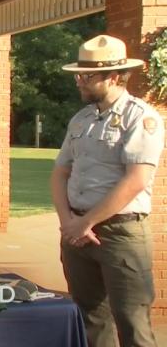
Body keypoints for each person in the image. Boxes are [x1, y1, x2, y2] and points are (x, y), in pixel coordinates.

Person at [51, 35, 163, 347]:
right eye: (78, 75)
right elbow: (60, 173)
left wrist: (85, 223)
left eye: (86, 77)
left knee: (132, 323)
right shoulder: (81, 119)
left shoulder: (140, 117)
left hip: (120, 234)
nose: (79, 83)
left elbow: (136, 180)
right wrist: (68, 223)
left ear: (113, 77)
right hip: (76, 233)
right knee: (89, 320)